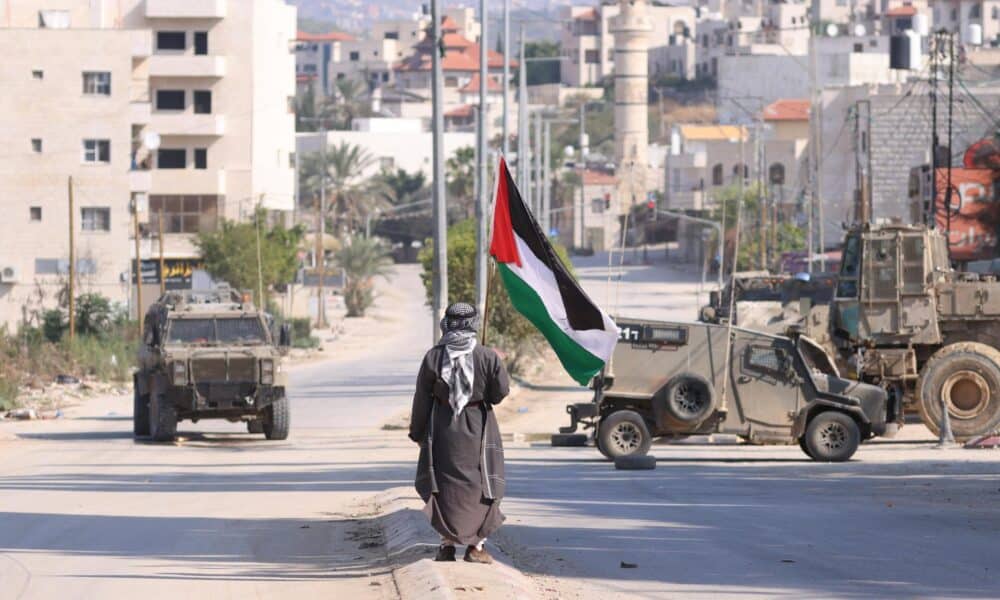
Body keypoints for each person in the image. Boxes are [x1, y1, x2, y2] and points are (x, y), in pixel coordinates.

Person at [409, 302, 510, 564]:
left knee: (444, 484)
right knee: (481, 483)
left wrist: (418, 432)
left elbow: (422, 398)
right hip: (479, 427)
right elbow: (499, 394)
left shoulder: (434, 356)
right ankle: (476, 549)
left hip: (443, 427)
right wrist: (494, 366)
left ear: (448, 323)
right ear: (473, 323)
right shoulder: (487, 356)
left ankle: (446, 546)